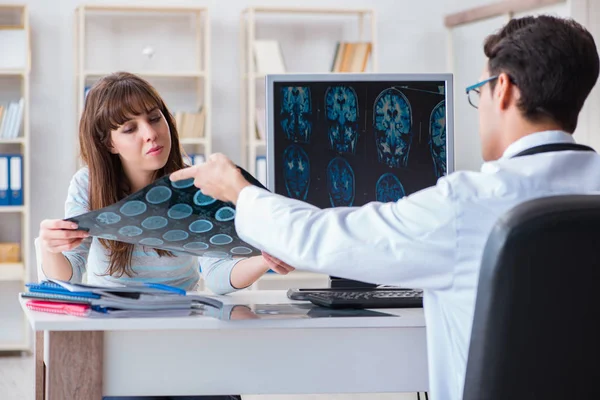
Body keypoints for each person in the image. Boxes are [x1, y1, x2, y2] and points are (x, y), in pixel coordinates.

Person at [170, 15, 600, 400]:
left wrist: (238, 188)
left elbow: (324, 238)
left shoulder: (467, 205)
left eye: (479, 92)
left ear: (502, 89)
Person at [38, 72, 292, 400]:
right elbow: (68, 275)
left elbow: (216, 277)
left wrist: (263, 258)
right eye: (130, 128)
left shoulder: (197, 181)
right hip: (117, 338)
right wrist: (51, 246)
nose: (150, 134)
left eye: (155, 118)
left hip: (186, 331)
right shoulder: (87, 185)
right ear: (108, 143)